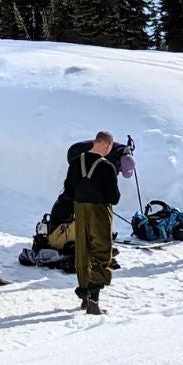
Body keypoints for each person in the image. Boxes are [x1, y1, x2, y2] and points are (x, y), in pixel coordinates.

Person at [64, 131, 124, 314]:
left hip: (80, 210)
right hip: (100, 211)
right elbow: (114, 197)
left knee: (83, 251)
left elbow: (68, 191)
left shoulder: (75, 162)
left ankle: (84, 294)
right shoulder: (107, 167)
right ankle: (94, 299)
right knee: (102, 252)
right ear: (108, 145)